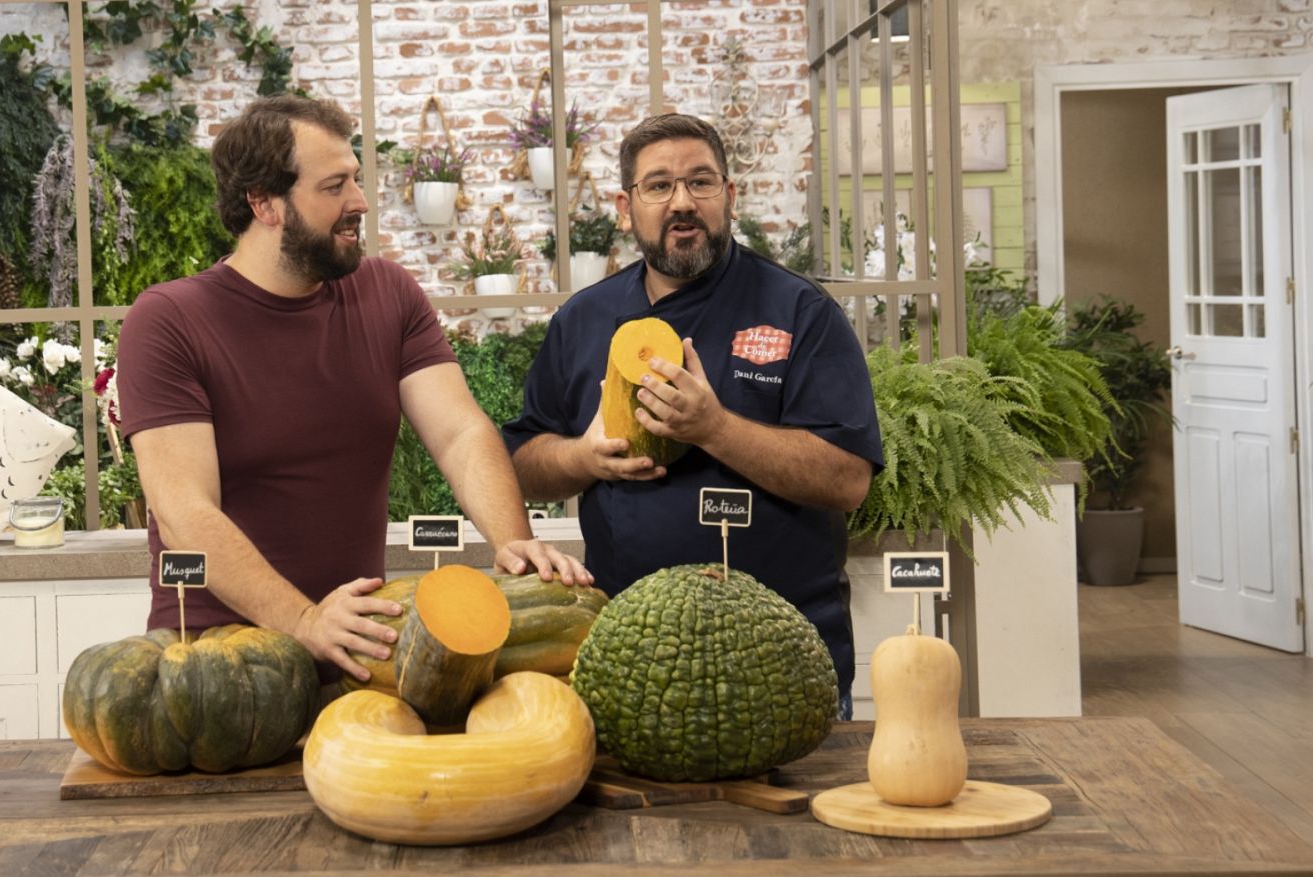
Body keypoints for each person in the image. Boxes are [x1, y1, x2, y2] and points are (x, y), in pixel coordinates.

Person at [117, 95, 589, 684]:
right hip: (221, 666)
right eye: (334, 186)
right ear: (264, 203)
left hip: (360, 648)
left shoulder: (387, 292)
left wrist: (514, 543)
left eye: (356, 180)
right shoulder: (168, 320)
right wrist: (304, 620)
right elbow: (184, 510)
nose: (360, 202)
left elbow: (459, 433)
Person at [502, 113, 882, 717]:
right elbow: (523, 464)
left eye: (700, 182)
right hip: (632, 664)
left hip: (783, 669)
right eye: (658, 186)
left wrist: (714, 428)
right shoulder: (583, 320)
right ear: (625, 207)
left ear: (728, 195)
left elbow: (848, 479)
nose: (682, 202)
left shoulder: (800, 311)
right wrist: (583, 457)